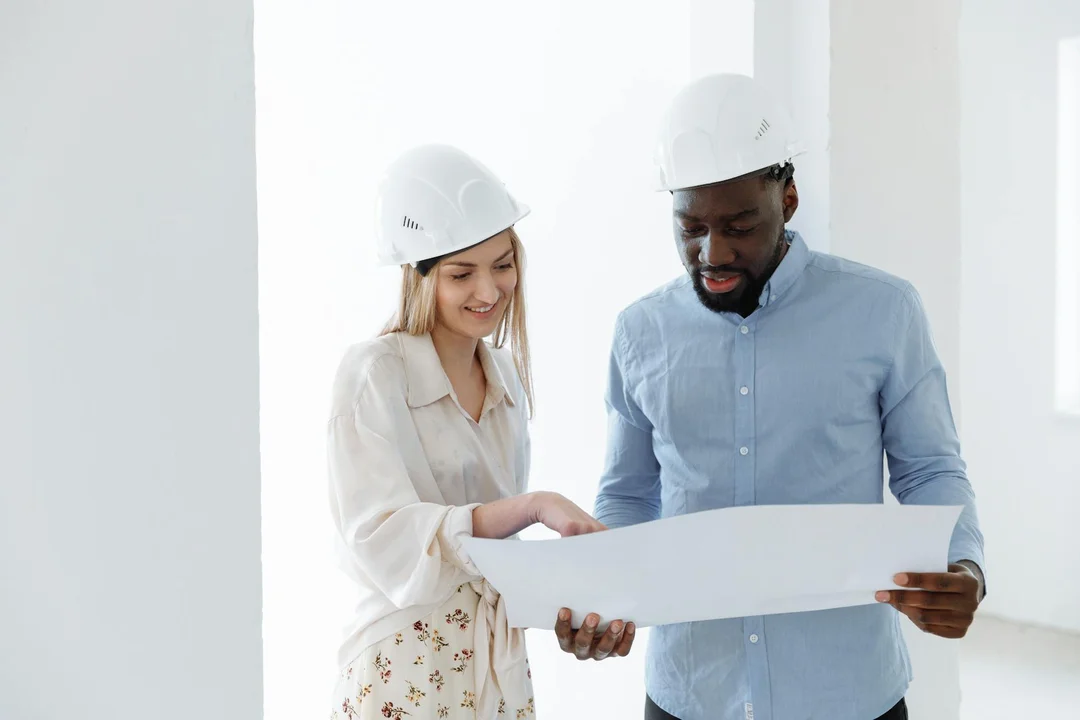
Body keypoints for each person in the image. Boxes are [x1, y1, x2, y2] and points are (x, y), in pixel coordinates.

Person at [553, 74, 986, 720]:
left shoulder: (883, 311)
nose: (713, 252)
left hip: (847, 694)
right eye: (690, 227)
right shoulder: (639, 331)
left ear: (788, 197)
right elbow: (628, 492)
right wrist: (603, 594)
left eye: (739, 225)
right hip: (690, 692)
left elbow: (929, 467)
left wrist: (963, 565)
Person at [327, 144, 620, 720]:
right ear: (417, 276)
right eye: (462, 273)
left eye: (503, 265)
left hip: (493, 659)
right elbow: (380, 538)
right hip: (403, 663)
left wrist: (580, 599)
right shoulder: (373, 376)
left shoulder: (504, 376)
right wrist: (531, 506)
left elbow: (493, 555)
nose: (489, 292)